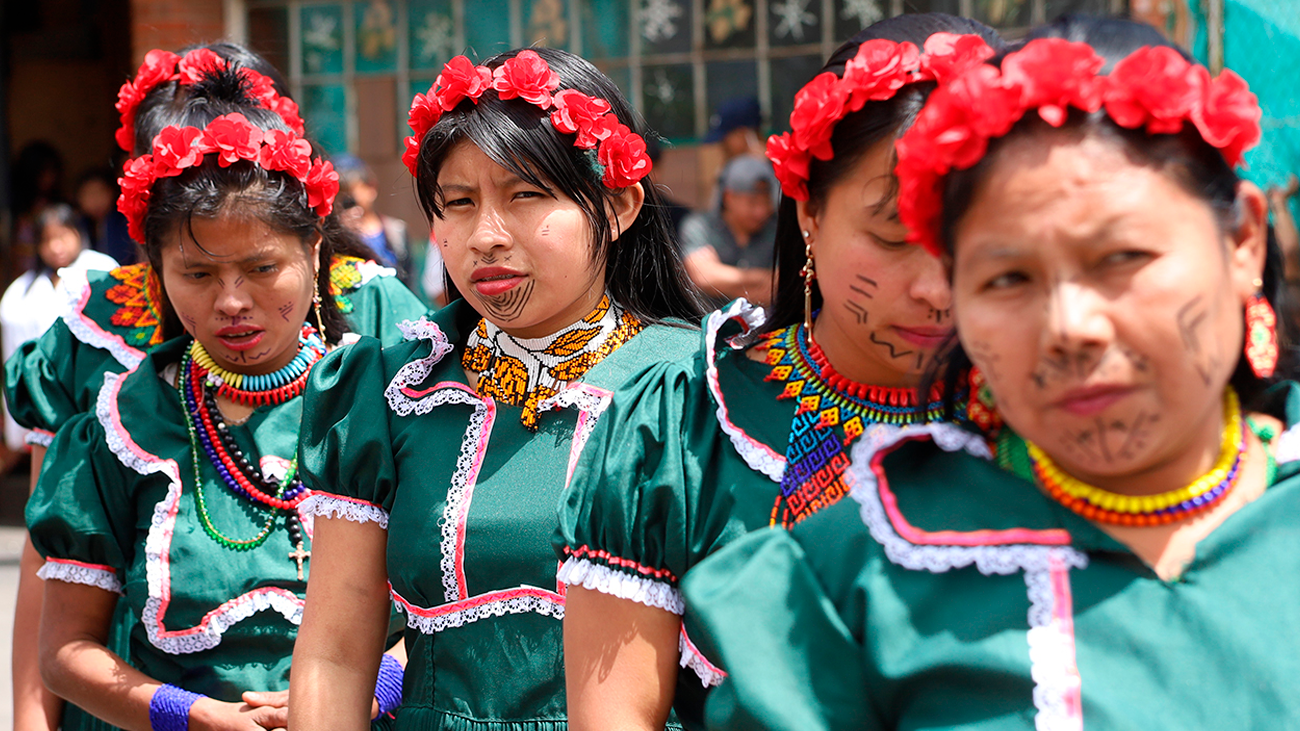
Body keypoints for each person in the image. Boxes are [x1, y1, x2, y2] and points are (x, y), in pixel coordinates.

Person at [680, 16, 1300, 730]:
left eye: (1122, 258)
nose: (1070, 328)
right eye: (1007, 278)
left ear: (1245, 240)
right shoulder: (847, 590)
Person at [554, 15, 1004, 731]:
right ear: (810, 214)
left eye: (977, 235)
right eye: (894, 234)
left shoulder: (1059, 421)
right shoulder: (679, 424)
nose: (937, 286)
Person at [7, 43, 427, 731]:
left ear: (313, 248)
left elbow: (469, 575)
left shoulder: (382, 382)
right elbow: (60, 624)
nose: (233, 301)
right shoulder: (120, 417)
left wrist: (364, 684)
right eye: (199, 274)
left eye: (262, 267)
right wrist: (186, 713)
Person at [288, 47, 704, 730]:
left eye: (525, 195)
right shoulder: (386, 389)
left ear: (621, 203)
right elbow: (334, 654)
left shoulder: (695, 386)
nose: (485, 236)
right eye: (457, 203)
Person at [0, 204, 117, 451]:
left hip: (90, 389)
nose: (55, 247)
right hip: (44, 395)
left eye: (62, 237)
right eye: (47, 240)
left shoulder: (103, 269)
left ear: (77, 233)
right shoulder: (22, 289)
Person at [680, 154, 779, 307]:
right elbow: (702, 275)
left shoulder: (777, 231)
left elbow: (782, 286)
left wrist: (721, 282)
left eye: (766, 202)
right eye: (752, 203)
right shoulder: (699, 227)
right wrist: (762, 278)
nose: (761, 211)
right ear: (728, 197)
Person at [335, 154, 417, 287]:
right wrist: (342, 235)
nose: (347, 201)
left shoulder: (396, 231)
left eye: (351, 194)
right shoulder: (335, 234)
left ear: (371, 187)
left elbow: (408, 282)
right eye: (340, 196)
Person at [75, 168, 138, 265]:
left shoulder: (126, 222)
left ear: (111, 192)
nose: (95, 200)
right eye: (89, 194)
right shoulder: (78, 226)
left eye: (100, 192)